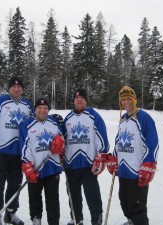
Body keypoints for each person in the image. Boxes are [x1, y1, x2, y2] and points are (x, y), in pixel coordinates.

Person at [0, 76, 34, 225]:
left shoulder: (27, 105)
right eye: (13, 86)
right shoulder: (0, 101)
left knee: (15, 184)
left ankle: (10, 214)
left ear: (22, 89)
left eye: (19, 86)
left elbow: (34, 125)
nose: (16, 89)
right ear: (9, 88)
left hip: (18, 152)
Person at [106, 86, 159, 225]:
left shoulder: (143, 117)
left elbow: (152, 142)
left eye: (129, 99)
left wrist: (149, 164)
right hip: (123, 170)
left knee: (138, 207)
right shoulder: (123, 119)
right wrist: (113, 157)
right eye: (123, 99)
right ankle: (131, 222)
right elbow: (119, 142)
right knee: (124, 201)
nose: (126, 102)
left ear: (134, 100)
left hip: (137, 171)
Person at [63, 88, 109, 225]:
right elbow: (62, 139)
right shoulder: (68, 118)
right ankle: (77, 219)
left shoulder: (93, 115)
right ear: (73, 100)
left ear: (86, 100)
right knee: (73, 196)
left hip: (89, 164)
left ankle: (97, 220)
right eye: (76, 97)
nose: (79, 99)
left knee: (92, 196)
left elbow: (102, 138)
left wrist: (101, 155)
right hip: (71, 164)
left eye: (82, 97)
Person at [19, 98, 65, 225]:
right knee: (34, 197)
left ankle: (54, 222)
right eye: (40, 108)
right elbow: (24, 147)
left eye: (45, 108)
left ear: (48, 110)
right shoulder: (27, 125)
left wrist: (60, 143)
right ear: (35, 109)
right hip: (35, 168)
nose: (42, 110)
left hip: (52, 167)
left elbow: (62, 139)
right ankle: (36, 219)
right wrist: (28, 166)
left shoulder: (54, 123)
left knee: (53, 199)